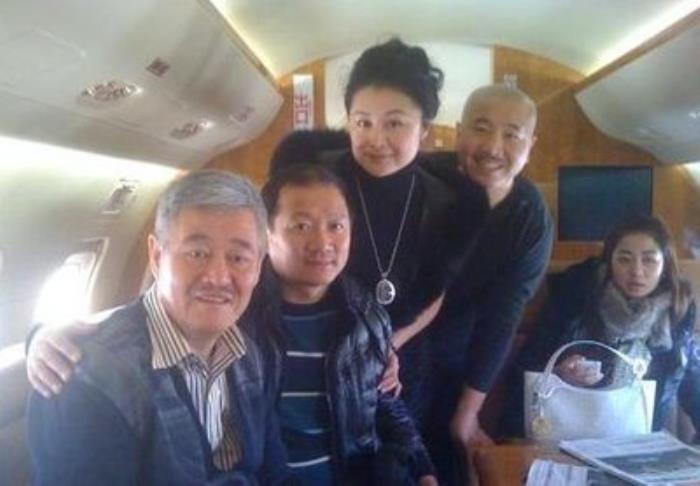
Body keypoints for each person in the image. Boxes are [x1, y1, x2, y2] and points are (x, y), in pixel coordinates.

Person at [272, 38, 488, 424]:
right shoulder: (314, 181)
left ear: (424, 128)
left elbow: (434, 290)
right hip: (313, 348)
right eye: (363, 122)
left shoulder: (448, 201)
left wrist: (388, 345)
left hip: (401, 358)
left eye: (394, 123)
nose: (376, 139)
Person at [27, 171, 291, 485]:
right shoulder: (88, 377)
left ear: (258, 267)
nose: (218, 277)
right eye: (197, 253)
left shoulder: (250, 356)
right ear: (156, 255)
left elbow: (275, 475)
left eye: (238, 257)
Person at [250, 163, 437, 484]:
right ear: (266, 234)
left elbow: (384, 402)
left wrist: (423, 469)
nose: (322, 242)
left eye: (336, 226)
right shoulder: (240, 318)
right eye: (301, 225)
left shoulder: (366, 315)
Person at [421, 83, 554, 483]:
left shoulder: (530, 218)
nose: (493, 148)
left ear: (530, 145)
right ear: (458, 132)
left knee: (449, 465)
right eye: (481, 128)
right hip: (394, 352)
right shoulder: (422, 180)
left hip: (458, 359)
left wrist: (467, 413)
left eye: (511, 135)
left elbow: (502, 318)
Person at [509, 214, 700, 440]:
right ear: (609, 262)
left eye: (649, 260)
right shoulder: (574, 299)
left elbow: (690, 379)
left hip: (640, 441)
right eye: (624, 259)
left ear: (665, 265)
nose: (637, 271)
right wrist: (560, 373)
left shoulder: (678, 312)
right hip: (569, 437)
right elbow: (527, 367)